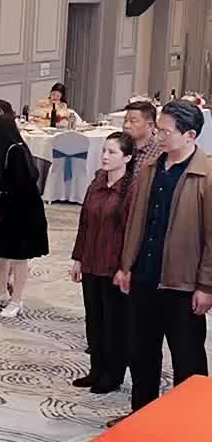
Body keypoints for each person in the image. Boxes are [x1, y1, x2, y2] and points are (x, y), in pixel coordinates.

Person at [117, 98, 212, 412]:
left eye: (166, 132)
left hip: (182, 284)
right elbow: (136, 221)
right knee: (141, 353)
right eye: (158, 130)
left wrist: (206, 285)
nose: (158, 137)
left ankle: (190, 424)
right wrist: (126, 266)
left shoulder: (206, 175)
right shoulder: (150, 168)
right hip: (145, 275)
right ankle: (141, 416)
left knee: (188, 359)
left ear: (190, 135)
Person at [69, 132, 136, 394]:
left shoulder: (131, 189)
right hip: (91, 262)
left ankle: (113, 374)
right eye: (104, 151)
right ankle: (96, 370)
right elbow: (84, 223)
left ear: (127, 158)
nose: (105, 156)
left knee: (114, 323)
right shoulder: (97, 182)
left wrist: (125, 267)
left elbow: (132, 232)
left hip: (113, 266)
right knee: (94, 320)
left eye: (112, 152)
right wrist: (78, 258)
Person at [0, 115, 49, 319]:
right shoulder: (11, 149)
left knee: (20, 256)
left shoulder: (15, 151)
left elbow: (19, 182)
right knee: (2, 251)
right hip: (10, 207)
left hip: (23, 210)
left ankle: (16, 299)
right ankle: (1, 290)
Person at [123, 98, 164, 169]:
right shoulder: (121, 146)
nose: (126, 125)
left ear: (150, 125)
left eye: (132, 121)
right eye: (125, 120)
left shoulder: (159, 153)